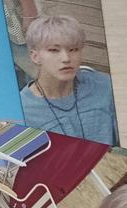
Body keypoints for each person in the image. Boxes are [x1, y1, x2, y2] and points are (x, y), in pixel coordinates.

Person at [20, 14, 118, 144]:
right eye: (54, 50)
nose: (66, 58)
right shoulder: (22, 111)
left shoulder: (105, 86)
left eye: (73, 49)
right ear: (35, 57)